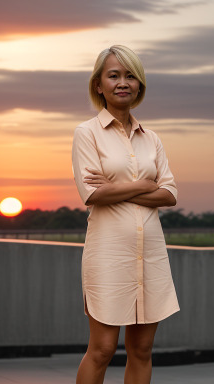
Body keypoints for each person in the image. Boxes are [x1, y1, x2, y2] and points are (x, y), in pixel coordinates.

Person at [72, 45, 180, 384]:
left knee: (143, 350)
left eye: (130, 75)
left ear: (140, 85)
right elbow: (92, 193)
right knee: (102, 349)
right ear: (99, 85)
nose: (123, 82)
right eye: (114, 75)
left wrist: (120, 188)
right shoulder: (86, 133)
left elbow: (171, 194)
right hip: (108, 255)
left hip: (150, 256)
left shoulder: (153, 139)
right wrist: (146, 185)